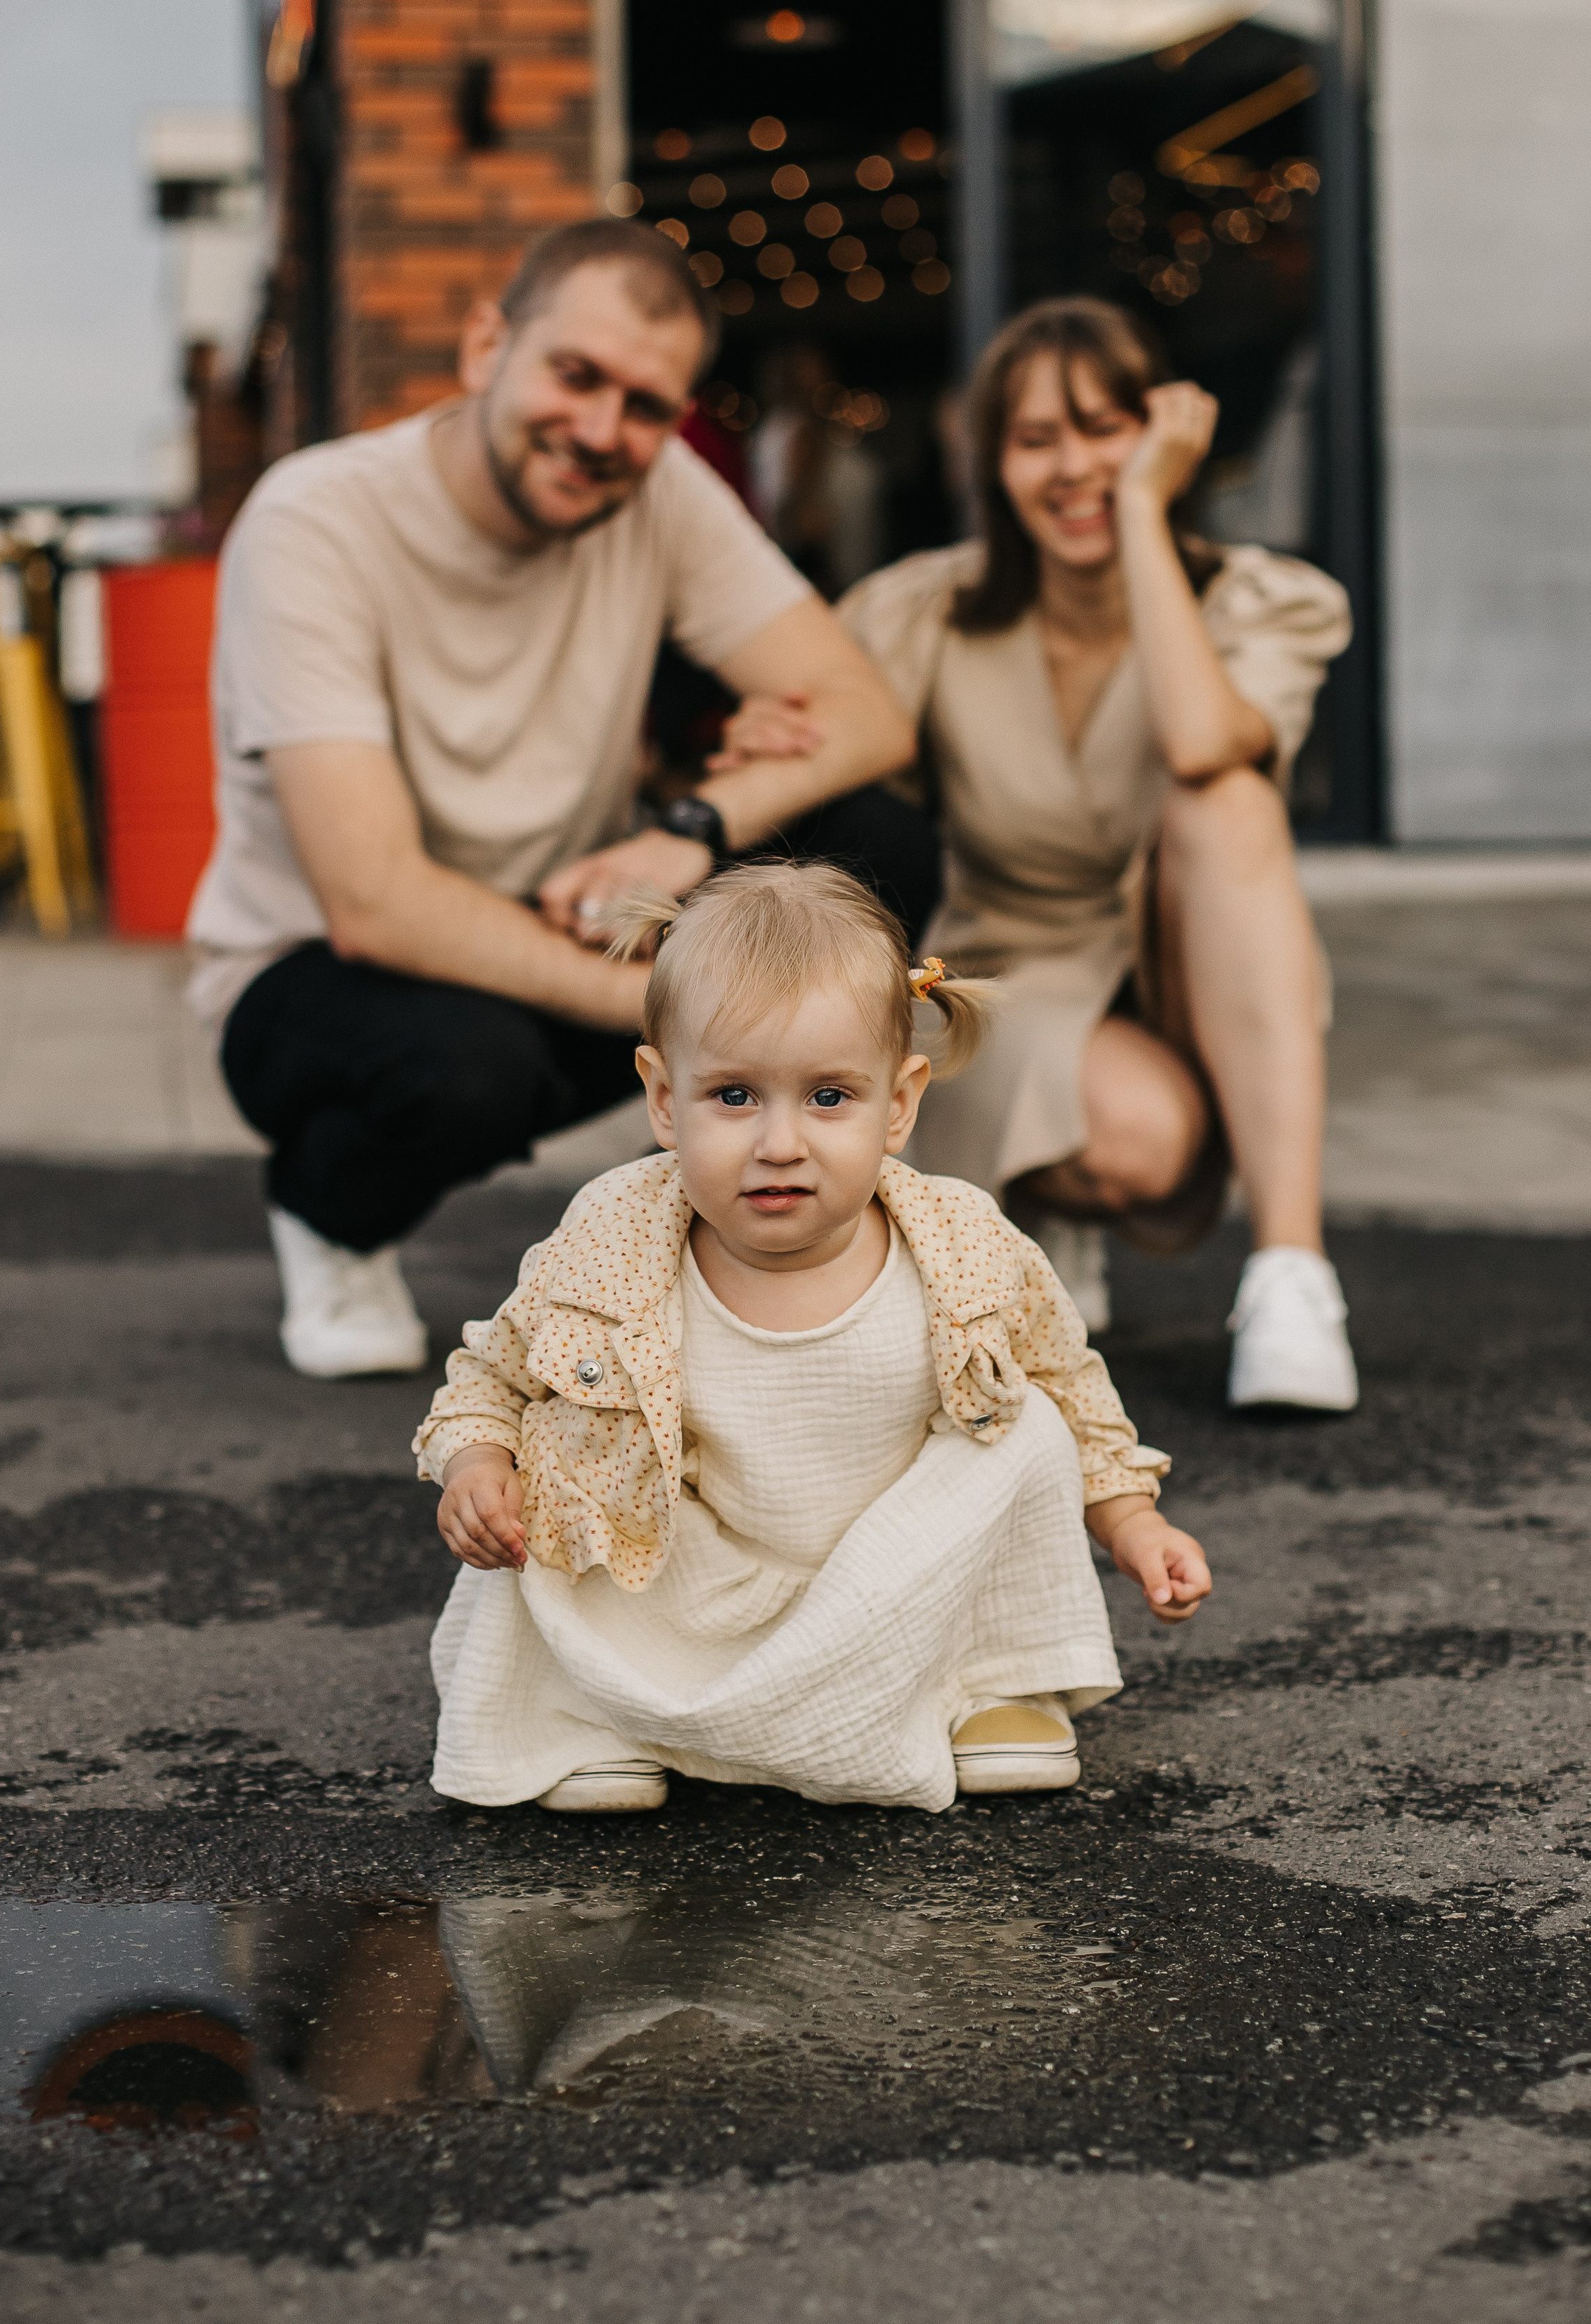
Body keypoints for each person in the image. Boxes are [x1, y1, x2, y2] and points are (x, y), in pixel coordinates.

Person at [184, 220, 924, 1378]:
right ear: (488, 345)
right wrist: (693, 1021)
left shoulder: (660, 493)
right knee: (464, 1068)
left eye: (644, 406)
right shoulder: (314, 521)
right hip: (322, 970)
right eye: (575, 375)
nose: (600, 431)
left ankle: (753, 1233)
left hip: (567, 908)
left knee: (876, 845)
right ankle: (328, 1214)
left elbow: (864, 715)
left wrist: (692, 831)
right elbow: (373, 899)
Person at [416, 862, 1209, 1815]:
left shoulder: (961, 1243)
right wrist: (474, 1464)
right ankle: (603, 1714)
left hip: (903, 1586)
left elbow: (1072, 1384)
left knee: (1028, 1421)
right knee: (552, 1451)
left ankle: (991, 1685)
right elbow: (492, 1376)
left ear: (901, 1102)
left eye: (829, 1098)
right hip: (691, 1577)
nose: (780, 1142)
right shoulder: (610, 1238)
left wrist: (1132, 1521)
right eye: (735, 1097)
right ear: (664, 1098)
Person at [825, 296, 1355, 1410]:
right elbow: (819, 746)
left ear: (1163, 440)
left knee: (1228, 803)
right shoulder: (928, 611)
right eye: (1035, 440)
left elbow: (1206, 739)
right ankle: (1040, 1199)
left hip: (1189, 958)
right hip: (1011, 967)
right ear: (991, 463)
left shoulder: (1263, 601)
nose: (1076, 468)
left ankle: (1293, 1280)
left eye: (1105, 429)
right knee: (1140, 1145)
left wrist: (1146, 521)